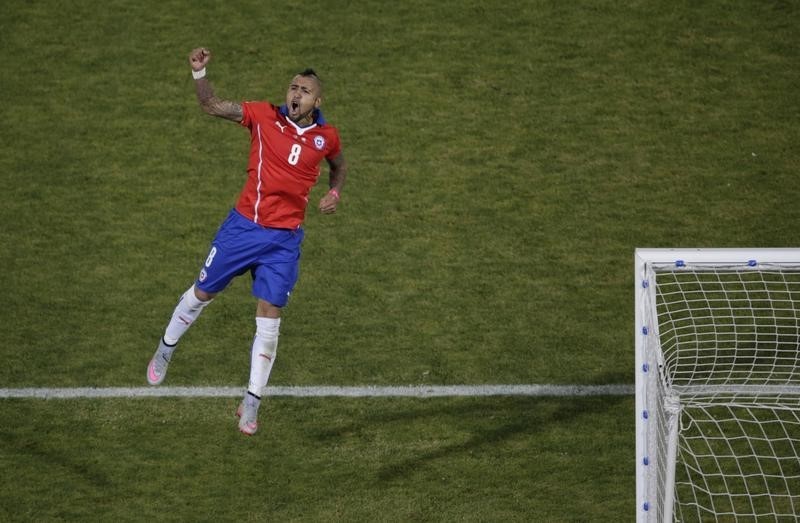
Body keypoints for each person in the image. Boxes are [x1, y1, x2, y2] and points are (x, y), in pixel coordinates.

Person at [146, 47, 348, 436]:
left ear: (316, 101)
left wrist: (335, 193)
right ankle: (166, 349)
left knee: (270, 318)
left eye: (304, 91)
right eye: (292, 87)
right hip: (244, 229)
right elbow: (211, 106)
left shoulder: (327, 138)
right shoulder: (262, 115)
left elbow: (338, 166)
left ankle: (252, 403)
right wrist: (199, 73)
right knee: (201, 294)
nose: (295, 94)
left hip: (284, 241)